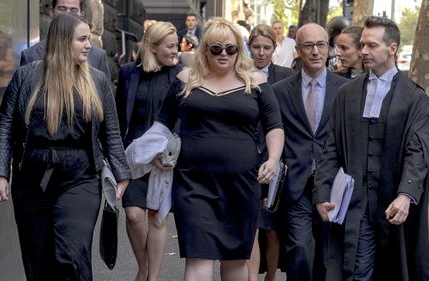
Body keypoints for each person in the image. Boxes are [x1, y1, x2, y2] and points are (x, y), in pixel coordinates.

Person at [0, 13, 130, 281]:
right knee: (39, 258)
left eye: (89, 38)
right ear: (63, 42)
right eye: (82, 39)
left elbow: (110, 130)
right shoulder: (26, 76)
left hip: (81, 177)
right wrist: (0, 173)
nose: (89, 45)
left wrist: (121, 174)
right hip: (32, 178)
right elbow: (6, 124)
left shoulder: (97, 80)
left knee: (71, 254)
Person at [155, 17, 284, 281]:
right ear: (205, 50)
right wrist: (156, 152)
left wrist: (272, 160)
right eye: (216, 49)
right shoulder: (185, 78)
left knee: (236, 261)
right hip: (193, 183)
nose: (224, 54)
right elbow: (162, 123)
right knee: (197, 258)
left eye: (230, 48)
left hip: (241, 184)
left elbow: (275, 127)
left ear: (239, 49)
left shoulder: (257, 82)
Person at [313, 16, 429, 281]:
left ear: (392, 48)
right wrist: (322, 191)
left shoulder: (415, 98)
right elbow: (331, 146)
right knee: (355, 271)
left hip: (393, 202)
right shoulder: (348, 93)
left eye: (372, 45)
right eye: (363, 45)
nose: (364, 51)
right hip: (356, 205)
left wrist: (406, 195)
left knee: (394, 270)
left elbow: (418, 152)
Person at [271, 23, 348, 281]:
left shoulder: (346, 90)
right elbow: (272, 135)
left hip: (333, 186)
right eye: (308, 46)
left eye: (321, 45)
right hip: (296, 186)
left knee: (327, 258)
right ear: (297, 49)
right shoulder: (280, 91)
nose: (315, 52)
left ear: (329, 48)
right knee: (300, 251)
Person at [115, 21, 182, 281]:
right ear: (153, 47)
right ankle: (143, 266)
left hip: (165, 159)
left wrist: (168, 155)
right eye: (170, 46)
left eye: (176, 45)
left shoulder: (181, 74)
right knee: (133, 215)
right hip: (133, 156)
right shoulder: (128, 73)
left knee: (157, 217)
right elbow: (121, 118)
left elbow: (182, 119)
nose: (176, 50)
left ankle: (150, 277)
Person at [246, 23, 295, 281]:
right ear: (249, 47)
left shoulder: (286, 75)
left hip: (276, 157)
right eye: (256, 47)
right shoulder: (239, 73)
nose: (261, 52)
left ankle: (271, 277)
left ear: (274, 48)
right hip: (246, 155)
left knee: (272, 228)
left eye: (266, 47)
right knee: (250, 225)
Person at [20, 0, 111, 80]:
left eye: (73, 10)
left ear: (81, 15)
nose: (67, 14)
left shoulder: (98, 56)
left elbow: (104, 96)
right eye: (62, 9)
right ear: (52, 12)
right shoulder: (30, 55)